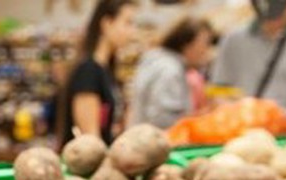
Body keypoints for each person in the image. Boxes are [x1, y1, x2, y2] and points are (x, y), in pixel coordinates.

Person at [210, 0, 286, 129]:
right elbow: (218, 90)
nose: (270, 22)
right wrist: (235, 112)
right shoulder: (232, 40)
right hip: (240, 129)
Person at [61, 0, 138, 145]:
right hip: (87, 162)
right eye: (128, 23)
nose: (132, 31)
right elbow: (90, 138)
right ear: (107, 23)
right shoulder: (88, 71)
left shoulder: (106, 70)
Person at [128, 17, 216, 129]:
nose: (206, 51)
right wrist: (199, 119)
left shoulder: (158, 61)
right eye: (205, 43)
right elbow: (163, 120)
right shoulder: (170, 70)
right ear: (188, 44)